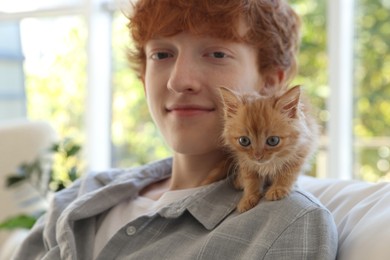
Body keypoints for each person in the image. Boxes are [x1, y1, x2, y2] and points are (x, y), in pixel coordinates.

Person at [14, 0, 338, 259]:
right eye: (162, 54)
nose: (178, 80)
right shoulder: (81, 195)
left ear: (272, 83)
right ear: (143, 77)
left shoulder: (286, 223)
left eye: (216, 54)